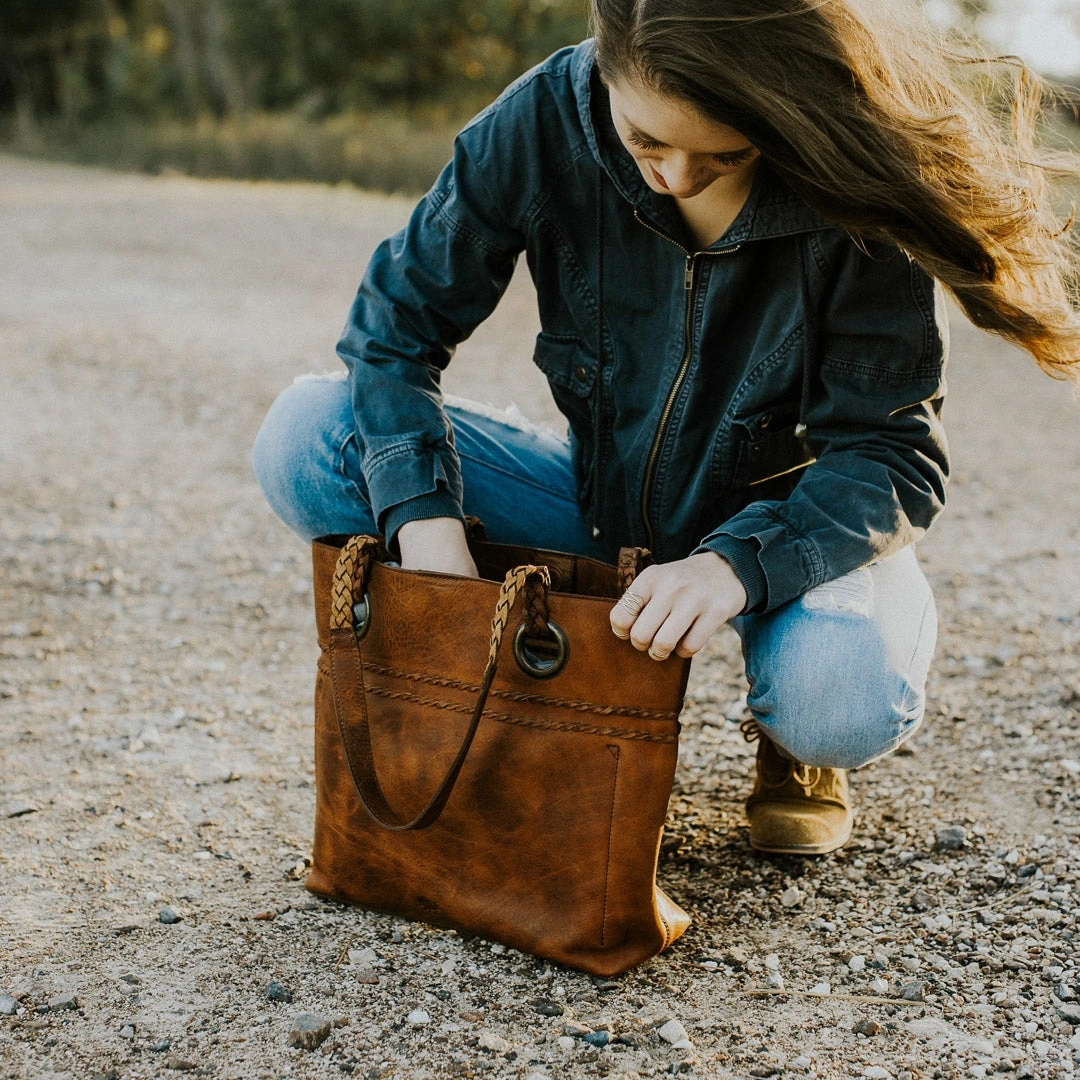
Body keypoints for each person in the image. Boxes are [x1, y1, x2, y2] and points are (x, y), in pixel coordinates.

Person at [253, 0, 1080, 856]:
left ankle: (793, 748)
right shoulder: (539, 121)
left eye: (725, 152)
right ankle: (549, 698)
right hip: (600, 508)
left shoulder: (852, 178)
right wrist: (426, 527)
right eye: (647, 142)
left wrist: (736, 566)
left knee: (840, 700)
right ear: (604, 68)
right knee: (304, 434)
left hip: (794, 531)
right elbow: (393, 330)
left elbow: (891, 455)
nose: (679, 176)